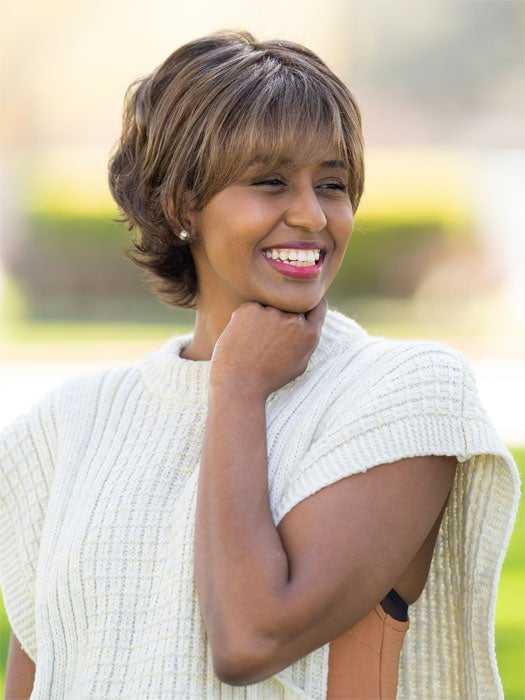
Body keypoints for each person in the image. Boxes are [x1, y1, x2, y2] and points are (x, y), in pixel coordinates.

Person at [0, 29, 520, 700]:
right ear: (180, 204)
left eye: (332, 184)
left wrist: (239, 386)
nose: (311, 215)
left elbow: (250, 637)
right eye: (270, 182)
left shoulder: (405, 394)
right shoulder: (64, 425)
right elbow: (36, 677)